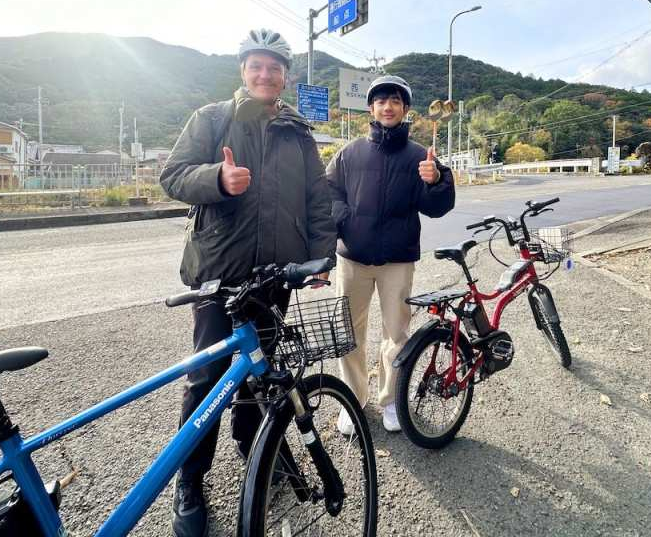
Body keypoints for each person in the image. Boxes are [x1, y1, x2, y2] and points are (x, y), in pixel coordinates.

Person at [160, 27, 336, 537]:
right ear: (243, 70)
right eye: (256, 66)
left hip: (273, 276)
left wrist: (321, 259)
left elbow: (317, 200)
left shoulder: (298, 133)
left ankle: (253, 445)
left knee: (263, 371)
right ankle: (189, 482)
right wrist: (217, 179)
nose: (265, 75)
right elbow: (173, 175)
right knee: (208, 379)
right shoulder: (212, 119)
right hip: (219, 273)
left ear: (285, 76)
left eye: (275, 68)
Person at [326, 75, 455, 434]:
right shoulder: (350, 153)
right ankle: (353, 400)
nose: (387, 106)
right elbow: (328, 193)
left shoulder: (419, 157)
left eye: (395, 101)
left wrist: (437, 181)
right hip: (352, 257)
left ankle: (390, 400)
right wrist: (345, 218)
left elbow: (436, 207)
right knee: (347, 332)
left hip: (398, 260)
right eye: (381, 100)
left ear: (405, 109)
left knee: (397, 333)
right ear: (371, 108)